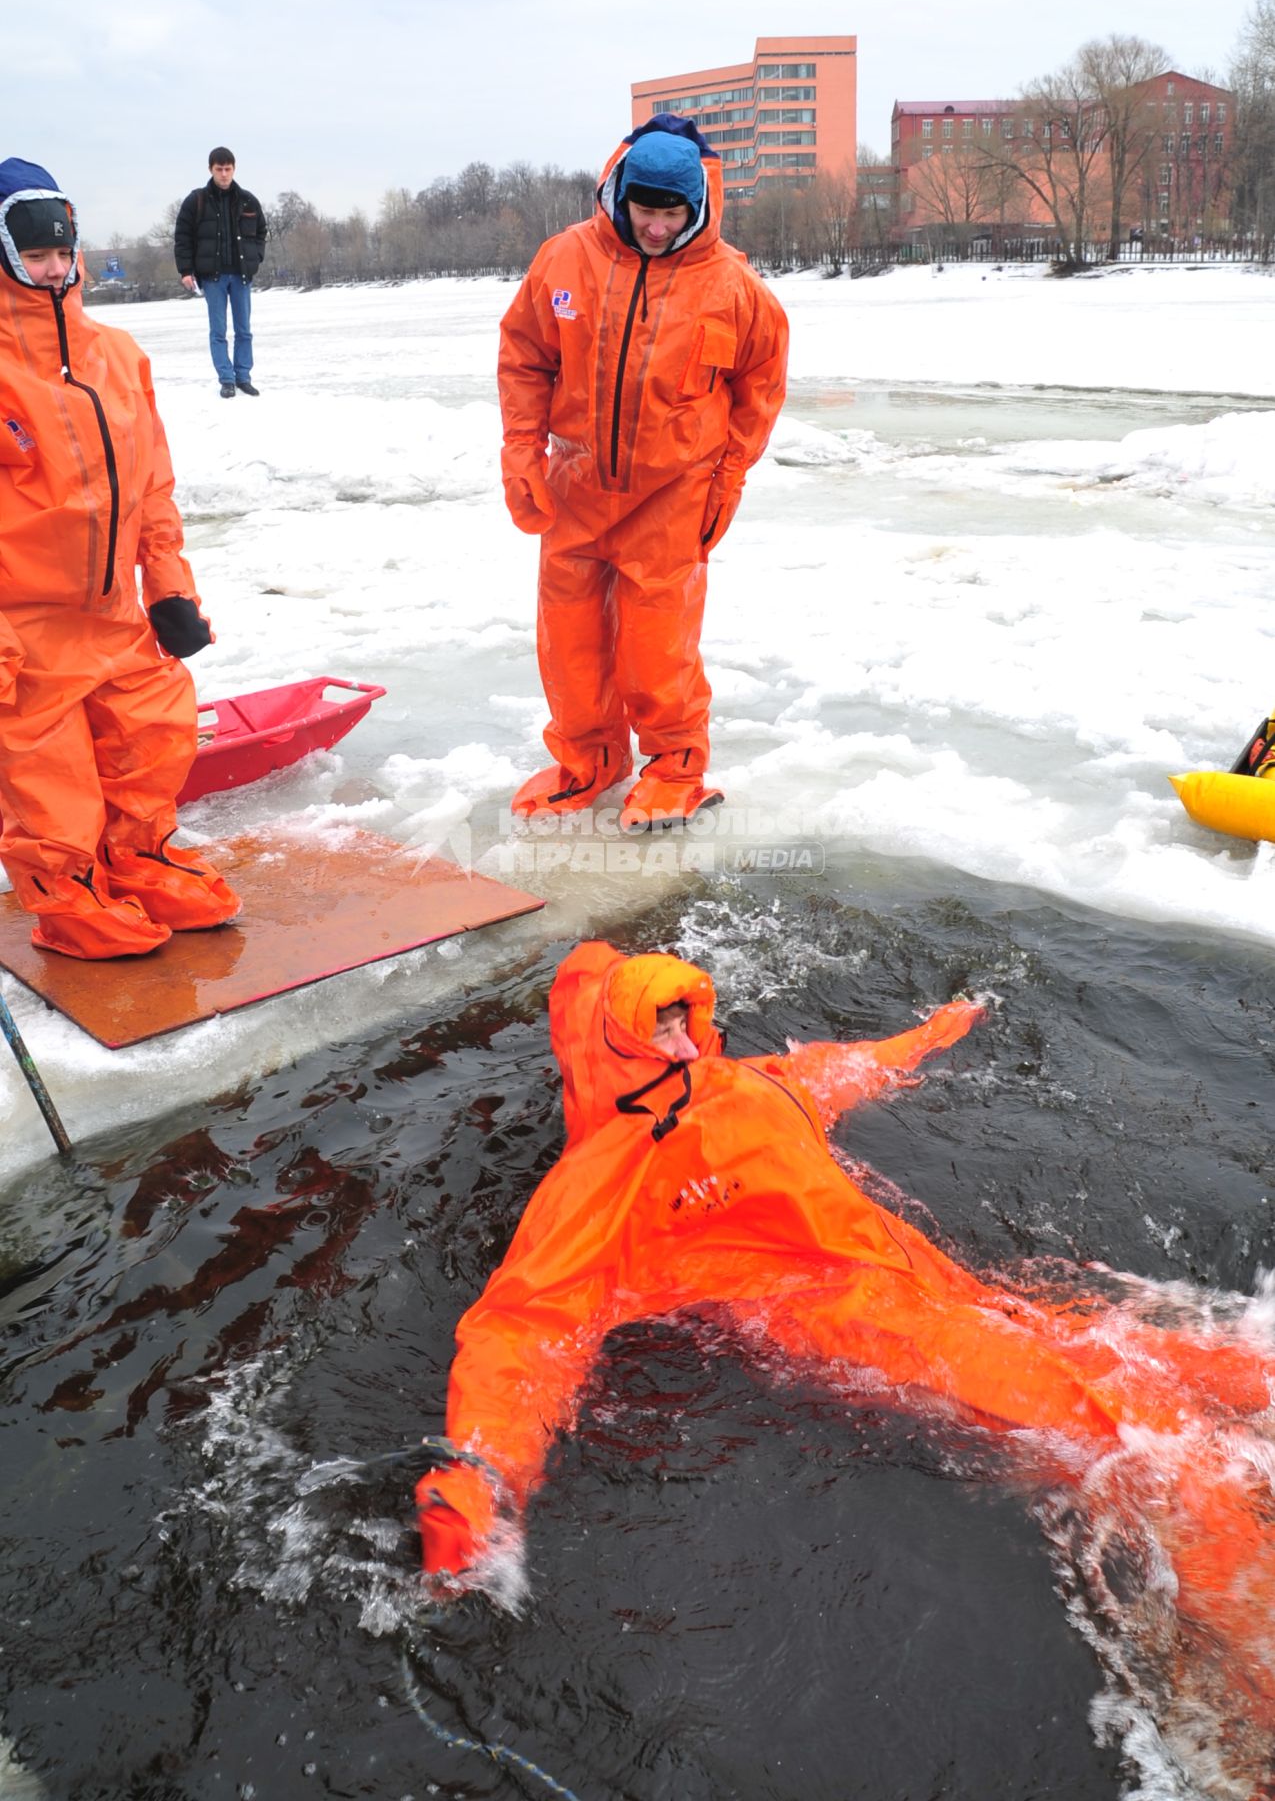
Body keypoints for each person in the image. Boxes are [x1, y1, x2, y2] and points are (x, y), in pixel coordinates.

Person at [417, 943, 1275, 1742]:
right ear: (610, 1051)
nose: (679, 1046)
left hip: (945, 1296)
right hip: (864, 1333)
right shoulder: (595, 1189)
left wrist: (945, 1025)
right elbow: (521, 1332)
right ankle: (1254, 1715)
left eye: (683, 1020)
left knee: (1228, 1373)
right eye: (654, 1032)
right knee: (1163, 1457)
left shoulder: (756, 1085)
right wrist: (484, 1476)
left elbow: (854, 1066)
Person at [499, 114, 789, 833]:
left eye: (670, 214)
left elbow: (759, 391)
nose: (655, 227)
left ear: (694, 208)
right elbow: (525, 359)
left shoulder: (734, 286)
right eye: (644, 209)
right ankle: (586, 760)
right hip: (575, 485)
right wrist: (520, 452)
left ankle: (674, 769)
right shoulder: (563, 259)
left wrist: (726, 483)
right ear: (619, 193)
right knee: (568, 642)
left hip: (673, 493)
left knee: (657, 650)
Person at [0, 157, 239, 958]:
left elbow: (153, 486)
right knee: (50, 779)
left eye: (61, 253)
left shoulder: (118, 356)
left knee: (154, 733)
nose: (54, 269)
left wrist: (169, 587)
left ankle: (137, 858)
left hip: (115, 616)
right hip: (24, 630)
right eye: (35, 256)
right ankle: (64, 893)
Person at [173, 148, 267, 399]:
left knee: (244, 330)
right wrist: (185, 270)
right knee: (218, 331)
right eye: (219, 169)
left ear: (234, 169)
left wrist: (256, 258)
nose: (224, 174)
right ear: (211, 170)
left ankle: (243, 377)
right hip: (212, 277)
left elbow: (261, 232)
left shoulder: (248, 200)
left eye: (228, 169)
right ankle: (226, 379)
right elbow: (183, 237)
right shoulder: (197, 201)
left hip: (241, 276)